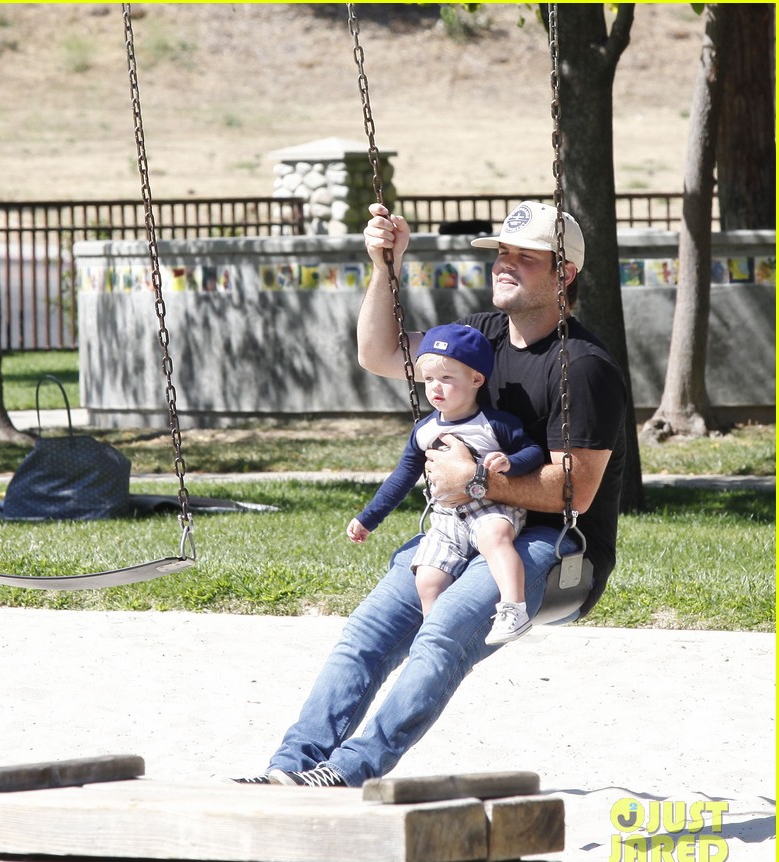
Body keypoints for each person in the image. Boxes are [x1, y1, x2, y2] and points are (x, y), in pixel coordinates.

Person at [233, 200, 627, 787]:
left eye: (527, 258)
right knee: (365, 635)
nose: (505, 264)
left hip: (549, 544)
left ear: (564, 274)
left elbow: (576, 491)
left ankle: (347, 772)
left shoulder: (583, 367)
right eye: (502, 252)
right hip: (458, 529)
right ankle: (291, 766)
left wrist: (475, 480)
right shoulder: (480, 336)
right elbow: (381, 354)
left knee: (440, 635)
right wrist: (385, 266)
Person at [346, 323, 545, 645]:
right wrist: (368, 518)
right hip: (446, 518)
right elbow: (401, 478)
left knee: (495, 537)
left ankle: (514, 608)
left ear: (476, 380)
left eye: (447, 378)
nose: (435, 387)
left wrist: (511, 463)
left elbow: (534, 451)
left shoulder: (495, 423)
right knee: (427, 576)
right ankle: (437, 634)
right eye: (429, 379)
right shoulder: (424, 431)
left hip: (491, 507)